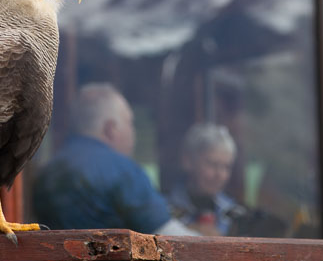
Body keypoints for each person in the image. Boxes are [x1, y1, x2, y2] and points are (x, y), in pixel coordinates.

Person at [32, 83, 194, 235]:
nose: (134, 134)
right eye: (130, 123)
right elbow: (169, 236)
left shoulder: (46, 172)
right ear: (111, 129)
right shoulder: (121, 169)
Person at [166, 123, 243, 236]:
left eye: (226, 167)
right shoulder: (163, 211)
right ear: (187, 161)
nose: (220, 174)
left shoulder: (235, 213)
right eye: (212, 164)